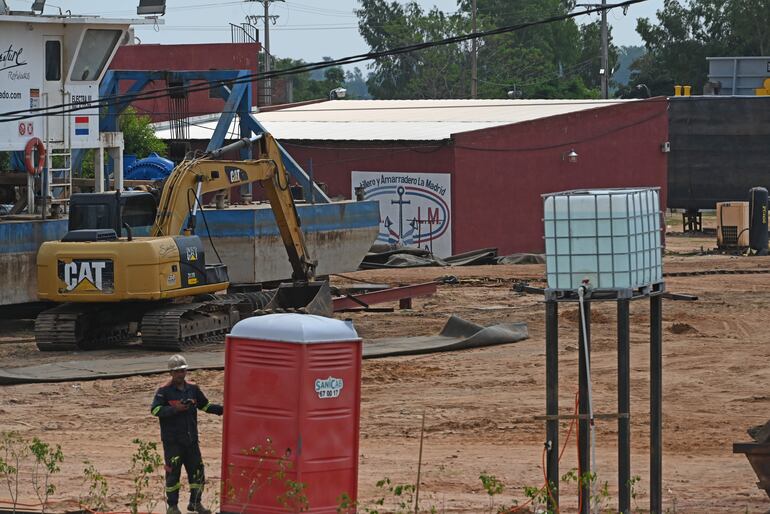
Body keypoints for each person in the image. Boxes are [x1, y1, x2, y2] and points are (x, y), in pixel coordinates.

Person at [151, 354, 223, 514]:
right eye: (177, 372)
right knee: (173, 474)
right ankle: (172, 506)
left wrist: (222, 410)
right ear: (171, 373)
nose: (180, 374)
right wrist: (175, 409)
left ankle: (195, 503)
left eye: (183, 371)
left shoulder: (193, 389)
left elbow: (205, 405)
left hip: (191, 440)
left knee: (197, 472)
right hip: (172, 442)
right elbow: (155, 410)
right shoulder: (164, 391)